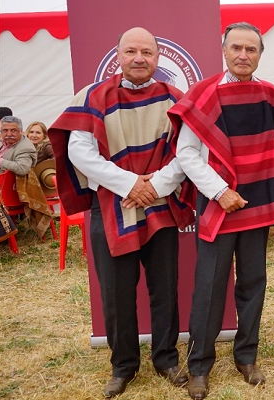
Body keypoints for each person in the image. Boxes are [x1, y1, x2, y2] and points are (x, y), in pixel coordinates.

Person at [48, 27, 193, 398]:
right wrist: (131, 185)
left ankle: (166, 359)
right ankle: (123, 365)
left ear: (158, 57)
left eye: (147, 51)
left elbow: (187, 152)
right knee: (116, 293)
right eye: (131, 51)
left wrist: (153, 187)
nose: (139, 58)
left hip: (158, 205)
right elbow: (80, 151)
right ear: (119, 55)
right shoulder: (93, 96)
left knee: (165, 289)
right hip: (112, 206)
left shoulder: (176, 98)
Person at [169, 22, 274, 400]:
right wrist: (221, 192)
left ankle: (247, 356)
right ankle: (199, 367)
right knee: (208, 287)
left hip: (257, 205)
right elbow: (186, 153)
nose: (243, 55)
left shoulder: (272, 96)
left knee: (253, 283)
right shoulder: (203, 94)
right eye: (236, 47)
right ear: (224, 50)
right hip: (218, 204)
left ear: (259, 55)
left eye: (251, 49)